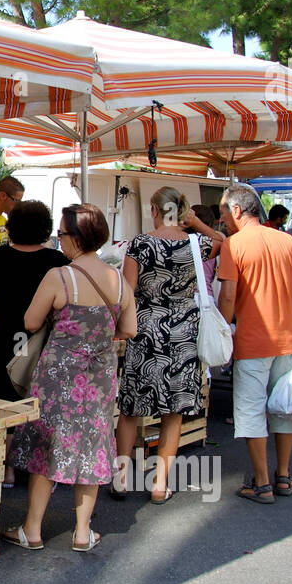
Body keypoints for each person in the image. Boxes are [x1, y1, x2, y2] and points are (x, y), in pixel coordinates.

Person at [2, 204, 138, 552]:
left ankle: (32, 530)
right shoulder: (119, 281)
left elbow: (31, 323)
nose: (58, 239)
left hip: (58, 378)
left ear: (76, 237)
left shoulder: (59, 277)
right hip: (100, 378)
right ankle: (81, 533)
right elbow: (130, 330)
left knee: (49, 447)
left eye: (61, 233)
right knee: (90, 446)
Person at [217, 183, 292, 504]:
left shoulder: (234, 245)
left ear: (236, 210)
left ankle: (261, 483)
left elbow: (229, 295)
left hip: (251, 342)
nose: (222, 219)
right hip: (287, 340)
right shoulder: (286, 241)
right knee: (283, 410)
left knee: (250, 412)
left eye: (222, 211)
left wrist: (221, 331)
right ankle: (283, 476)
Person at [115, 187, 213, 504]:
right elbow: (223, 241)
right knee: (174, 411)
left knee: (131, 408)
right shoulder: (197, 245)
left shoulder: (142, 243)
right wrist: (195, 222)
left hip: (147, 326)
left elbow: (127, 293)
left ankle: (119, 479)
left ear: (154, 209)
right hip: (184, 329)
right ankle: (159, 484)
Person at [0, 200, 68, 487]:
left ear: (10, 227)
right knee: (43, 399)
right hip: (45, 339)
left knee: (4, 397)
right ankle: (40, 463)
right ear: (46, 229)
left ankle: (7, 468)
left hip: (4, 334)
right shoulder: (58, 262)